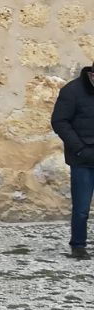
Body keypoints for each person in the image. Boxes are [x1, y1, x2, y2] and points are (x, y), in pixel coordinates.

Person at [50, 61, 94, 259]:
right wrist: (79, 148)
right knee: (82, 208)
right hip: (82, 159)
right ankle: (78, 245)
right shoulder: (72, 91)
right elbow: (59, 121)